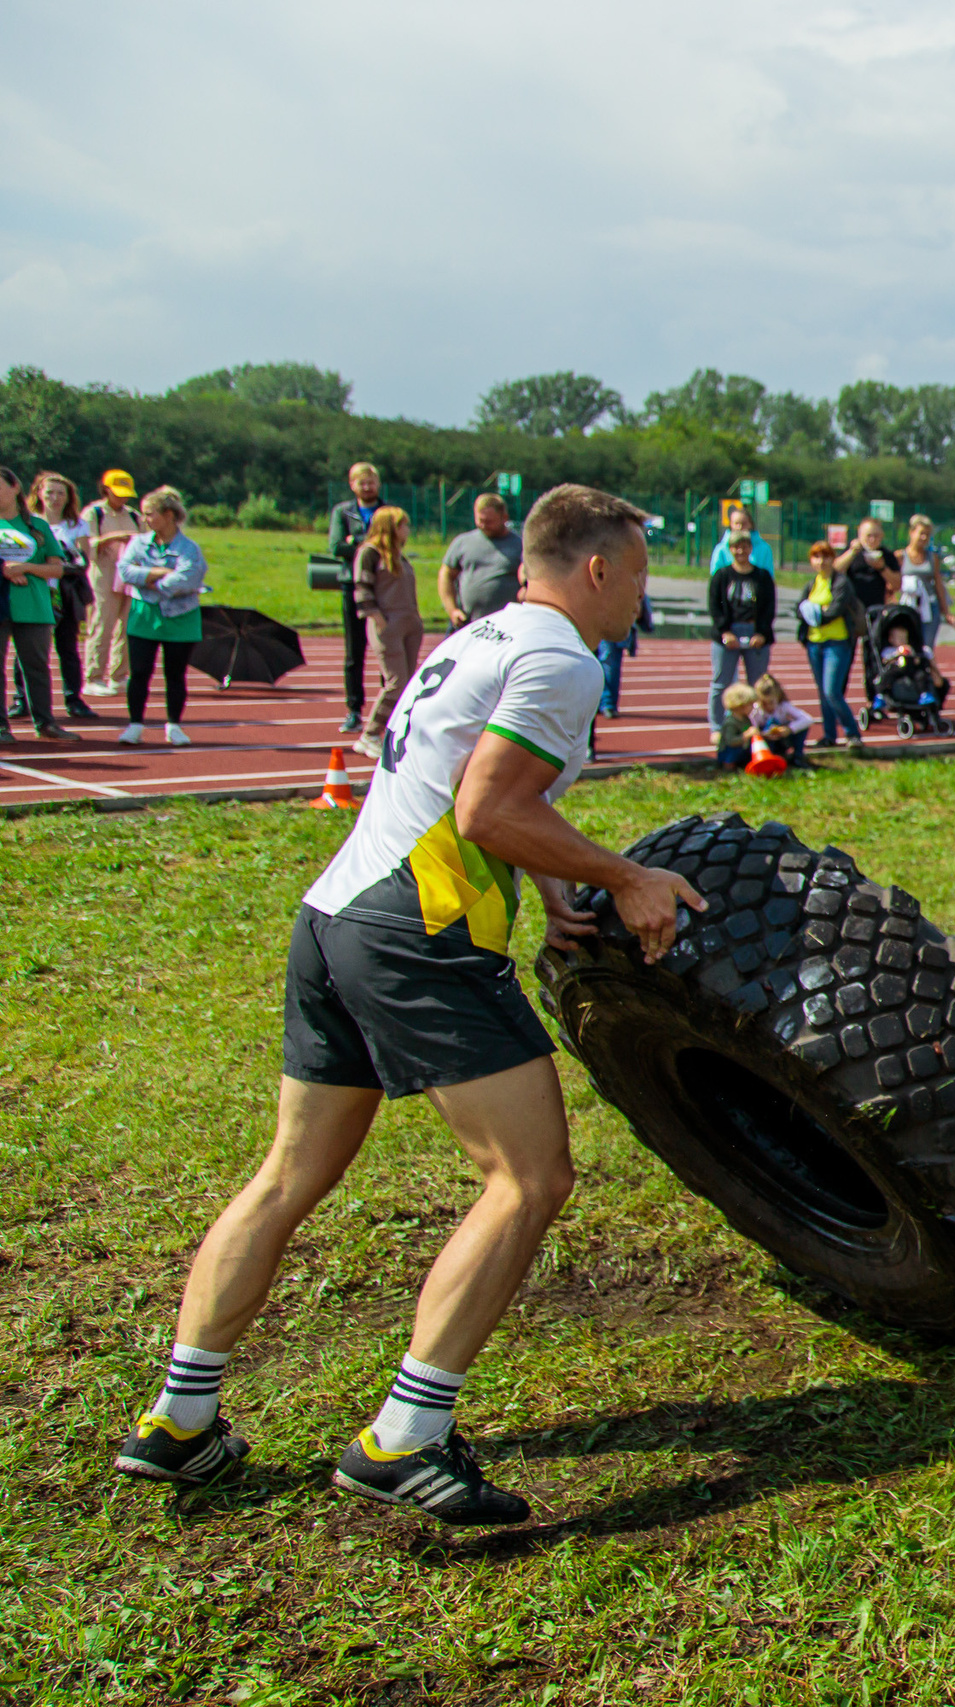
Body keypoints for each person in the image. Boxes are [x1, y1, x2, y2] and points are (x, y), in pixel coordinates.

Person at [113, 484, 697, 1523]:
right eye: (639, 576)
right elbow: (485, 807)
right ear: (598, 568)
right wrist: (623, 877)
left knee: (289, 1174)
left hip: (332, 917)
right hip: (415, 932)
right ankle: (405, 1438)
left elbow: (465, 783)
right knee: (530, 1178)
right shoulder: (565, 657)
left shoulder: (481, 635)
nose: (640, 599)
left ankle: (179, 1420)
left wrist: (551, 886)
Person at [115, 487, 208, 747]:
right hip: (144, 614)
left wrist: (151, 582)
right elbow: (125, 571)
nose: (144, 519)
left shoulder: (189, 548)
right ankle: (135, 725)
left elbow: (189, 577)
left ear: (168, 515)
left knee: (175, 674)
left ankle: (174, 726)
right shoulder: (138, 543)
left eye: (149, 514)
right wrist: (158, 573)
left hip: (181, 617)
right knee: (139, 672)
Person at [0, 465, 74, 742]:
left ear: (15, 488)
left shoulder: (37, 525)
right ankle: (1, 727)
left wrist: (27, 568)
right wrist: (6, 570)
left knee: (37, 666)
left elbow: (57, 569)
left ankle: (45, 723)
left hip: (33, 605)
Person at [351, 507, 426, 761]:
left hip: (409, 623)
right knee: (396, 682)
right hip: (388, 624)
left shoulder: (399, 555)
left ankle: (394, 733)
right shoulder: (370, 552)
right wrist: (377, 617)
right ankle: (370, 734)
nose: (407, 530)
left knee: (407, 685)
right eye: (403, 525)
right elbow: (361, 588)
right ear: (391, 527)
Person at [25, 472, 95, 721]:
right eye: (50, 492)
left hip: (65, 592)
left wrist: (59, 565)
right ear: (38, 494)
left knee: (68, 647)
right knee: (29, 646)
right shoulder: (28, 522)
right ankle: (22, 699)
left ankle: (73, 699)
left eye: (60, 493)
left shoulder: (76, 525)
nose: (54, 498)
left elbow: (83, 562)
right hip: (34, 590)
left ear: (69, 497)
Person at [326, 463, 384, 733]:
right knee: (354, 651)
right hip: (352, 584)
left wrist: (356, 542)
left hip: (384, 584)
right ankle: (353, 710)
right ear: (352, 485)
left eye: (371, 481)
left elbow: (393, 545)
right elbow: (337, 547)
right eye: (361, 482)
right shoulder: (342, 512)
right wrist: (368, 544)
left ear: (378, 483)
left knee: (387, 648)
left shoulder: (388, 511)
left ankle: (389, 708)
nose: (367, 487)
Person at [81, 468, 143, 705]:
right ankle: (94, 676)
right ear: (106, 490)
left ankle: (119, 675)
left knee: (128, 626)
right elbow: (86, 545)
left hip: (129, 576)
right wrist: (113, 537)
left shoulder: (134, 516)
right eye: (118, 493)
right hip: (103, 575)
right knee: (102, 625)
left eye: (126, 494)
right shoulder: (94, 513)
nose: (122, 498)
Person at [704, 532, 775, 735]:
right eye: (736, 547)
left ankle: (758, 726)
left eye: (744, 546)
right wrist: (724, 631)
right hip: (728, 634)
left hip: (755, 633)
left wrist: (761, 633)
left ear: (750, 548)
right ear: (730, 549)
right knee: (721, 682)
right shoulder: (722, 576)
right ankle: (718, 728)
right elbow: (715, 606)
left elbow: (769, 607)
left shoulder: (762, 577)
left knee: (758, 684)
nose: (740, 551)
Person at [798, 541, 858, 746]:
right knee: (823, 693)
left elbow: (835, 610)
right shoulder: (811, 584)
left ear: (833, 559)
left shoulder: (841, 582)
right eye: (816, 557)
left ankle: (852, 733)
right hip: (814, 643)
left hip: (837, 643)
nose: (821, 561)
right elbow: (799, 610)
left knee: (832, 691)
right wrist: (817, 610)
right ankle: (829, 735)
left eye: (826, 556)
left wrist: (814, 612)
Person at [439, 494, 525, 629]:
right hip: (467, 623)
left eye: (489, 521)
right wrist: (452, 610)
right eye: (480, 520)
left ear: (504, 518)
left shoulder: (520, 545)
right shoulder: (462, 542)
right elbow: (446, 575)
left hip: (506, 626)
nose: (484, 525)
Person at [842, 517, 896, 705]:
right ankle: (838, 699)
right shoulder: (852, 553)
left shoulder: (886, 555)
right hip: (851, 612)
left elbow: (897, 582)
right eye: (868, 535)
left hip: (876, 612)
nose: (872, 540)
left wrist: (881, 567)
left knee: (873, 658)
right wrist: (851, 552)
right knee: (845, 657)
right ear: (859, 535)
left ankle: (875, 700)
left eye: (876, 536)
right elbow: (835, 570)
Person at [897, 514, 951, 652]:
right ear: (911, 532)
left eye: (927, 535)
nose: (924, 538)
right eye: (921, 533)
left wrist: (946, 610)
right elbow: (893, 582)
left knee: (926, 647)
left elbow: (938, 583)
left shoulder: (932, 557)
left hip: (929, 606)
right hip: (908, 605)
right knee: (907, 644)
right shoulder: (900, 556)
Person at [595, 591, 652, 720]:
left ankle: (608, 704)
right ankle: (601, 702)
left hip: (615, 617)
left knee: (610, 661)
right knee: (600, 661)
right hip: (600, 614)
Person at [753, 673, 815, 769]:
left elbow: (808, 719)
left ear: (778, 697)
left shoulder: (784, 706)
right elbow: (751, 727)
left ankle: (797, 757)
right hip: (765, 742)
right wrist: (762, 734)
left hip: (782, 740)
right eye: (764, 703)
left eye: (771, 702)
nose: (768, 706)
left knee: (802, 727)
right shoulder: (756, 710)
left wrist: (789, 729)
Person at [714, 682, 757, 770]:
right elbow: (730, 741)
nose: (753, 707)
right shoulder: (731, 723)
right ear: (740, 706)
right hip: (728, 750)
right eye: (750, 704)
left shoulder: (746, 719)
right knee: (733, 751)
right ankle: (728, 764)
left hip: (741, 747)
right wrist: (746, 735)